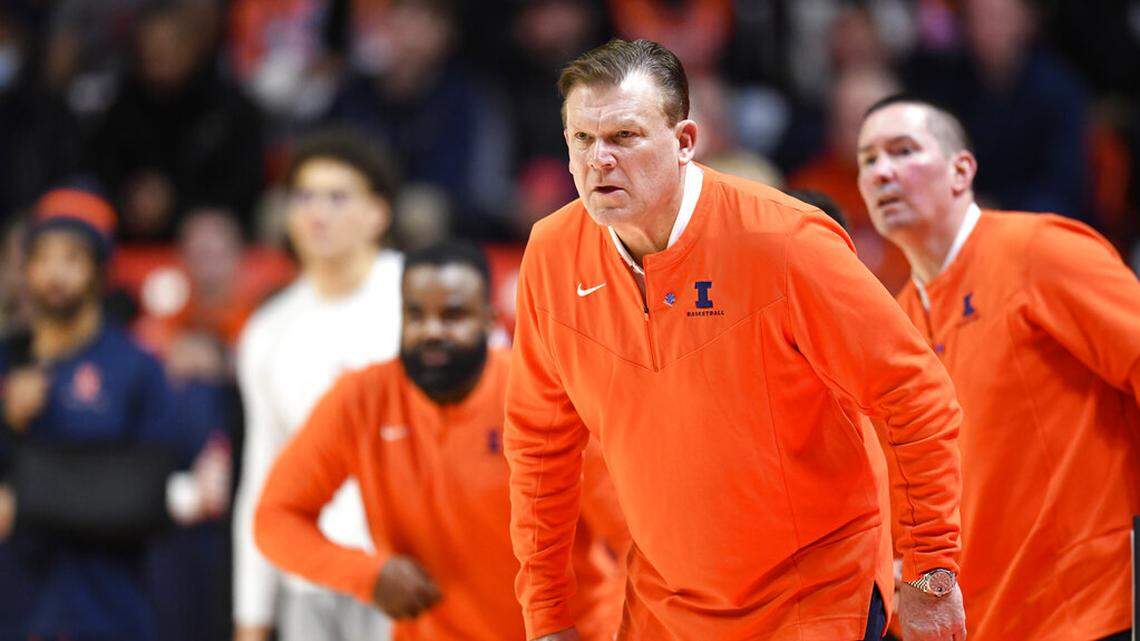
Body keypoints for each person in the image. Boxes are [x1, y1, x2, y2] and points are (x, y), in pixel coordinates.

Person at [504, 38, 966, 641]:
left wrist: (931, 571)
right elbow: (540, 449)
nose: (599, 161)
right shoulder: (550, 253)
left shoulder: (785, 241)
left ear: (686, 142)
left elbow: (915, 393)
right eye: (581, 141)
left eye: (624, 137)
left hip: (813, 599)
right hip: (663, 608)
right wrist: (546, 616)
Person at [857, 95, 1139, 641]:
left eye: (903, 150)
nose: (881, 171)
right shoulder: (893, 320)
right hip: (984, 621)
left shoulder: (1041, 251)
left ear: (962, 169)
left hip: (1092, 606)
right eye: (868, 159)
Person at [254, 241, 627, 640]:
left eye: (453, 316)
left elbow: (635, 538)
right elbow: (275, 519)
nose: (432, 331)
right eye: (416, 315)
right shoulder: (361, 400)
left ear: (489, 321)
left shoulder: (546, 396)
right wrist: (367, 575)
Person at [0, 186, 229, 641]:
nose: (54, 274)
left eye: (71, 259)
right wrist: (8, 421)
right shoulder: (8, 361)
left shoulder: (135, 366)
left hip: (109, 605)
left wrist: (23, 494)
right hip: (18, 603)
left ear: (100, 272)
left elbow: (143, 494)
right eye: (41, 260)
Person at [232, 129, 401, 641]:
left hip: (417, 571)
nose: (317, 212)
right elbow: (263, 475)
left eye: (337, 196)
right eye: (304, 197)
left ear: (378, 214)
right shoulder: (268, 331)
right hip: (309, 582)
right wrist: (251, 618)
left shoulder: (427, 301)